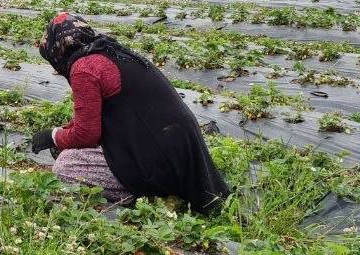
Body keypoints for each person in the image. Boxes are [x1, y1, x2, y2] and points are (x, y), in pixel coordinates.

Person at [30, 13, 228, 214]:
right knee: (66, 149)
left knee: (65, 166)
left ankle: (149, 196)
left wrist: (53, 136)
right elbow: (88, 120)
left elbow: (86, 134)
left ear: (57, 50)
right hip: (180, 151)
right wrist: (62, 134)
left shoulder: (84, 68)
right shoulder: (109, 52)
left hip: (159, 161)